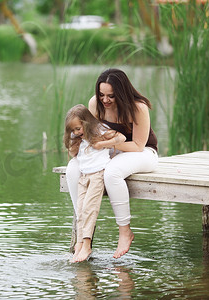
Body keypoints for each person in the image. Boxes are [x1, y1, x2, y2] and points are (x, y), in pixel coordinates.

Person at [65, 69, 158, 259]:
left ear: (122, 93)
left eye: (111, 96)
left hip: (143, 152)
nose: (105, 100)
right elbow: (90, 134)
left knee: (111, 172)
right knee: (73, 169)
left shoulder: (138, 108)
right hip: (109, 150)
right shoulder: (95, 104)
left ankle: (125, 231)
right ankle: (83, 232)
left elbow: (139, 145)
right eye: (101, 95)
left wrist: (106, 145)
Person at [64, 104, 126, 262]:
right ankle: (79, 243)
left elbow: (122, 138)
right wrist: (75, 141)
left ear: (86, 122)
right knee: (80, 210)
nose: (76, 132)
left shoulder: (99, 130)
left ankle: (87, 245)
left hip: (98, 176)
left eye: (78, 128)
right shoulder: (80, 138)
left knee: (89, 209)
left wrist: (102, 144)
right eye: (73, 130)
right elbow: (73, 154)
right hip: (84, 177)